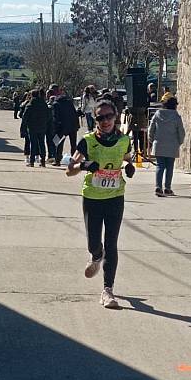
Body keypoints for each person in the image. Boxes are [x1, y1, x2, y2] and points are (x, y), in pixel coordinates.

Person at [66, 99, 135, 308]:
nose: (105, 121)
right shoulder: (87, 141)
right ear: (95, 120)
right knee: (94, 243)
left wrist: (129, 167)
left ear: (115, 117)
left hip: (115, 197)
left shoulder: (124, 140)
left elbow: (127, 158)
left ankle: (108, 290)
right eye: (100, 117)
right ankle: (96, 255)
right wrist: (85, 165)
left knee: (112, 243)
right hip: (93, 198)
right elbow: (69, 169)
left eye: (109, 116)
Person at [148, 93, 185, 196]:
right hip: (172, 144)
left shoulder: (157, 114)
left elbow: (151, 129)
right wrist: (180, 141)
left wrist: (152, 140)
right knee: (169, 167)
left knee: (160, 166)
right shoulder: (176, 116)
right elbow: (181, 131)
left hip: (159, 143)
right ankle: (167, 188)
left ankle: (158, 187)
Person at [21, 89, 48, 167]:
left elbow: (24, 118)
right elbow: (48, 116)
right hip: (42, 127)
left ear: (32, 95)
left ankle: (32, 161)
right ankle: (42, 161)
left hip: (32, 127)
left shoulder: (30, 105)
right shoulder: (44, 104)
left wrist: (23, 129)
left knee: (33, 144)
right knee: (42, 143)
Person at [53, 89, 80, 166]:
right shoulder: (69, 102)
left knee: (59, 143)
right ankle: (74, 161)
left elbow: (56, 117)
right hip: (73, 126)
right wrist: (77, 125)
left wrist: (55, 128)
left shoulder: (56, 104)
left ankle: (57, 160)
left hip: (62, 127)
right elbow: (74, 114)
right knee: (73, 144)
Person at [19, 92, 32, 164]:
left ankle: (27, 157)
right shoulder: (38, 104)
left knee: (27, 142)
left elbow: (20, 115)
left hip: (27, 125)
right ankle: (36, 156)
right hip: (36, 125)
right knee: (37, 142)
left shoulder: (24, 104)